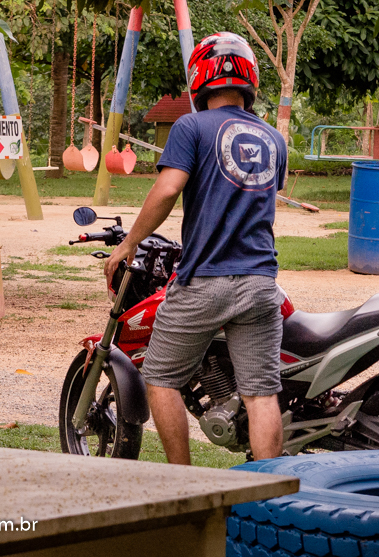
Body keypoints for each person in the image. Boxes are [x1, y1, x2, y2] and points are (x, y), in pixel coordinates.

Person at [105, 32, 287, 464]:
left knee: (161, 376)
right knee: (261, 394)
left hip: (206, 278)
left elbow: (168, 189)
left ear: (200, 80)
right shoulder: (274, 140)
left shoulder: (191, 126)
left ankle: (184, 481)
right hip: (262, 283)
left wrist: (130, 242)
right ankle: (269, 498)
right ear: (249, 80)